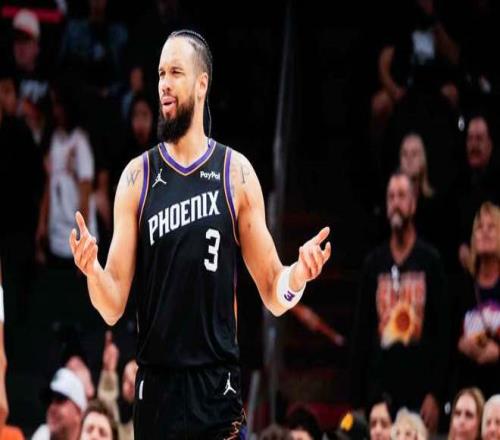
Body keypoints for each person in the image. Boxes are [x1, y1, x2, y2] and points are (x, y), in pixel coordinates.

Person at [69, 29, 331, 438]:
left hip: (215, 388)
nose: (164, 84)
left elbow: (272, 290)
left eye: (175, 72)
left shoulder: (235, 173)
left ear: (202, 83)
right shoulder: (137, 177)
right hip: (157, 387)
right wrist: (92, 272)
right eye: (160, 73)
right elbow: (112, 305)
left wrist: (298, 274)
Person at [351, 172, 449, 434]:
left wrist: (436, 393)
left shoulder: (430, 261)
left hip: (421, 393)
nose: (396, 202)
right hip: (381, 393)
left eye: (402, 196)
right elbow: (361, 332)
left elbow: (443, 331)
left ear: (413, 204)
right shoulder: (373, 263)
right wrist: (361, 398)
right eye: (391, 197)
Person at [456, 202, 500, 398]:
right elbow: (447, 336)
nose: (485, 232)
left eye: (492, 227)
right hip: (468, 391)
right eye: (480, 227)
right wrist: (461, 344)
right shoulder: (461, 286)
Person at [32, 368, 87, 440]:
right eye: (49, 400)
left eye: (60, 399)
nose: (51, 408)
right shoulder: (42, 435)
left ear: (79, 413)